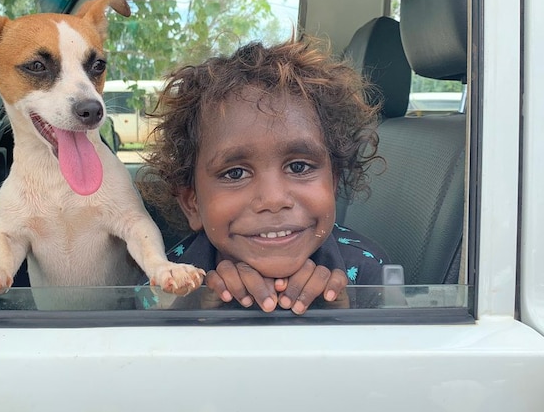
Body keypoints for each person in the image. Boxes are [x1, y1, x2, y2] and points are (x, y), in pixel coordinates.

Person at [139, 39, 390, 314]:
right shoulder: (167, 280)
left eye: (299, 167)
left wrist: (344, 319)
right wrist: (190, 311)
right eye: (235, 173)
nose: (273, 199)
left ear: (332, 183)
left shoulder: (368, 270)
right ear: (192, 203)